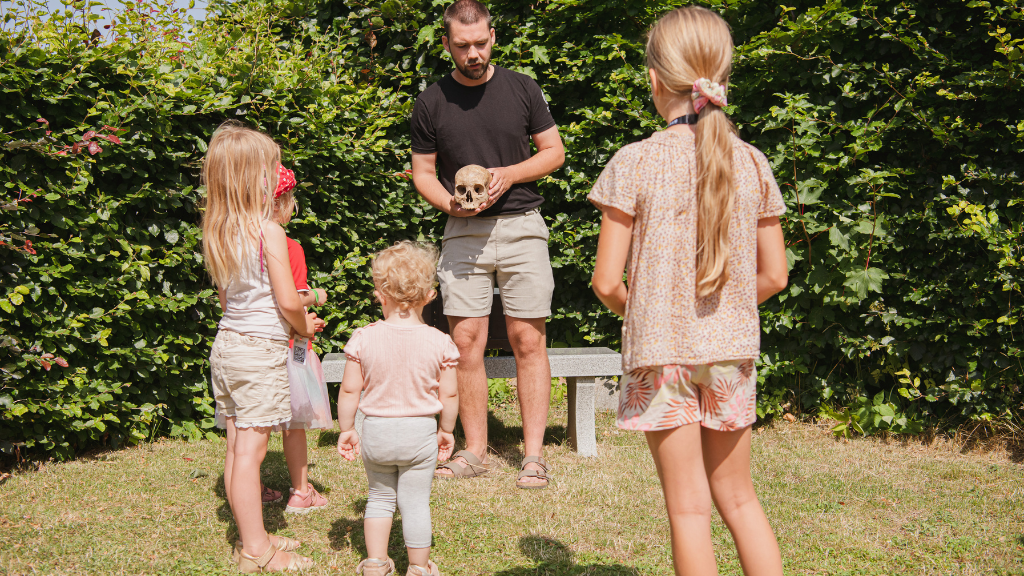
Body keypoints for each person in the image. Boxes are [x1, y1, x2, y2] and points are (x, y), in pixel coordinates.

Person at [589, 7, 788, 576]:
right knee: (740, 500)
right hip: (730, 352)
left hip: (661, 355)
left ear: (654, 78)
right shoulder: (752, 161)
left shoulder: (635, 161)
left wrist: (646, 312)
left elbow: (606, 282)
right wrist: (723, 311)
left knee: (688, 509)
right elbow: (775, 276)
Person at [410, 0, 564, 489]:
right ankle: (475, 449)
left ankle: (533, 455)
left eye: (480, 43)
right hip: (463, 234)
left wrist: (509, 175)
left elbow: (554, 152)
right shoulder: (431, 101)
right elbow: (423, 173)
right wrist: (450, 205)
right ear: (446, 44)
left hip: (522, 226)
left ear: (493, 37)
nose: (473, 54)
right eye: (462, 46)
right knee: (465, 343)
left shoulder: (522, 87)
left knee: (528, 340)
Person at [202, 121, 319, 573]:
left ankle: (253, 536)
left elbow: (226, 302)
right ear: (255, 178)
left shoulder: (219, 231)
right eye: (272, 168)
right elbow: (287, 301)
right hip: (259, 351)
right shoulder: (268, 231)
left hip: (227, 346)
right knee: (251, 456)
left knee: (236, 450)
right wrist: (303, 326)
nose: (277, 175)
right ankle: (256, 550)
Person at [336, 241, 460, 576]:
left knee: (379, 498)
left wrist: (347, 429)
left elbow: (349, 389)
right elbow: (449, 395)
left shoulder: (363, 338)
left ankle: (376, 563)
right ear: (430, 295)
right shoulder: (440, 342)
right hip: (419, 433)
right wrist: (446, 430)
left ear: (379, 294)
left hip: (376, 431)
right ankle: (418, 567)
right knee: (415, 502)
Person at [269, 164, 331, 515]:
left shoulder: (237, 244)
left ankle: (250, 486)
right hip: (290, 348)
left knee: (253, 426)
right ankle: (300, 491)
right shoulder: (288, 246)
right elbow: (292, 299)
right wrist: (308, 319)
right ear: (281, 203)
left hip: (253, 347)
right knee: (294, 424)